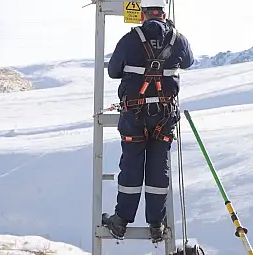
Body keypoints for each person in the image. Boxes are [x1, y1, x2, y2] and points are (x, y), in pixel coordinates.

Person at [102, 0, 194, 243]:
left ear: (142, 14)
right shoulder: (178, 40)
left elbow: (113, 71)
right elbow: (189, 62)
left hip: (134, 116)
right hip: (164, 117)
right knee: (158, 169)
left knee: (131, 166)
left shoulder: (129, 39)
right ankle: (156, 225)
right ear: (163, 13)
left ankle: (121, 221)